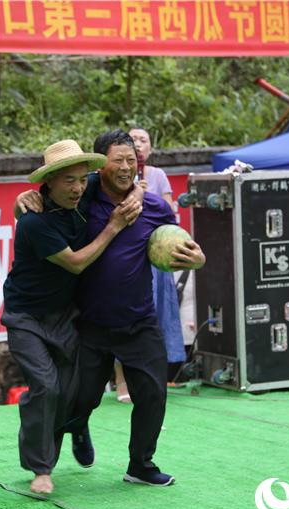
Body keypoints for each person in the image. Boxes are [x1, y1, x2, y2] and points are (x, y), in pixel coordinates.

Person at [3, 140, 140, 494]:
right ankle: (40, 468)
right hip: (25, 317)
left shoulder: (87, 188)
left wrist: (137, 189)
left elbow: (122, 181)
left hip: (66, 315)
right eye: (69, 181)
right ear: (48, 182)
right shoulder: (35, 223)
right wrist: (113, 227)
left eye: (82, 179)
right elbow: (77, 263)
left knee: (66, 392)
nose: (78, 187)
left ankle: (60, 445)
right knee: (45, 387)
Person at [72, 129, 205, 487]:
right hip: (90, 321)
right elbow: (45, 199)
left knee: (152, 392)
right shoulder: (82, 197)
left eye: (132, 160)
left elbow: (180, 246)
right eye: (119, 160)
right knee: (82, 398)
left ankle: (141, 464)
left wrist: (197, 257)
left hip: (139, 319)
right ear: (101, 165)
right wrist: (27, 199)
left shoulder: (155, 206)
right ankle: (77, 426)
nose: (127, 167)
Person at [109, 127, 186, 398]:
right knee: (123, 320)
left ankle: (154, 381)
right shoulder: (111, 181)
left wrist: (142, 196)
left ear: (150, 150)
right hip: (128, 261)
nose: (139, 145)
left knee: (156, 322)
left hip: (155, 262)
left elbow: (167, 216)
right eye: (134, 140)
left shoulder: (158, 176)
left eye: (144, 141)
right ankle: (121, 382)